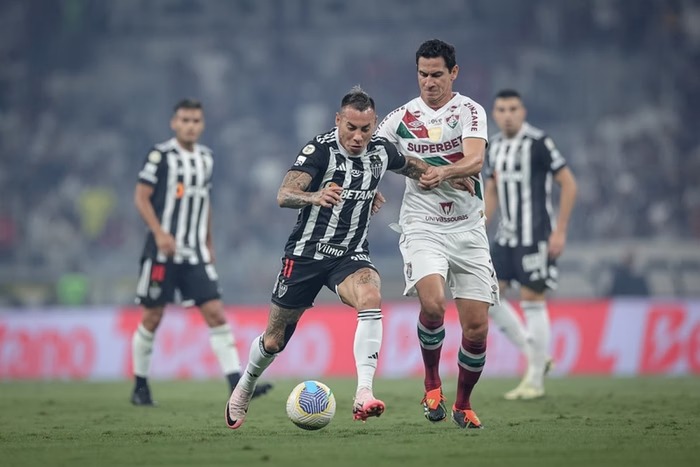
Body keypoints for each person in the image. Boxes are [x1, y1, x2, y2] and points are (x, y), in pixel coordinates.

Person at [225, 86, 443, 430]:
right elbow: (284, 195)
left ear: (374, 125)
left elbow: (416, 168)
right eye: (350, 128)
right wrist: (314, 196)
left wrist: (451, 176)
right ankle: (245, 386)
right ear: (338, 120)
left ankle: (364, 393)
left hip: (350, 255)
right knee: (274, 340)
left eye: (365, 129)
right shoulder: (319, 150)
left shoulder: (381, 151)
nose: (357, 137)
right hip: (306, 254)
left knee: (370, 296)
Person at [375, 39, 498, 429]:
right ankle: (432, 384)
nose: (429, 82)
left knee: (476, 327)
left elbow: (476, 159)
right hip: (422, 225)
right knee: (433, 304)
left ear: (454, 73)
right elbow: (373, 153)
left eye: (437, 74)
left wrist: (444, 172)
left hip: (468, 227)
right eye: (423, 74)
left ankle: (463, 404)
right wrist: (373, 184)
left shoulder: (469, 111)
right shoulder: (400, 118)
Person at [131, 98, 272, 406]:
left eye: (195, 121)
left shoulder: (206, 158)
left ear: (202, 124)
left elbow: (203, 202)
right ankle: (140, 387)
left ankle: (237, 385)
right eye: (185, 120)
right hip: (162, 253)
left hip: (194, 253)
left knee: (216, 313)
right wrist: (159, 233)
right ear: (174, 123)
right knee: (152, 316)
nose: (190, 126)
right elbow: (141, 197)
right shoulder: (160, 156)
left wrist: (208, 242)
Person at [484, 89, 578, 400]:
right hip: (505, 236)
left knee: (532, 300)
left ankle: (535, 380)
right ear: (495, 114)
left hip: (535, 235)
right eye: (501, 109)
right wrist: (481, 224)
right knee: (488, 295)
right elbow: (492, 188)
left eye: (513, 109)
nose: (507, 115)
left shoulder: (539, 142)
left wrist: (560, 231)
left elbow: (568, 184)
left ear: (522, 112)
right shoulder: (494, 146)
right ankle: (535, 354)